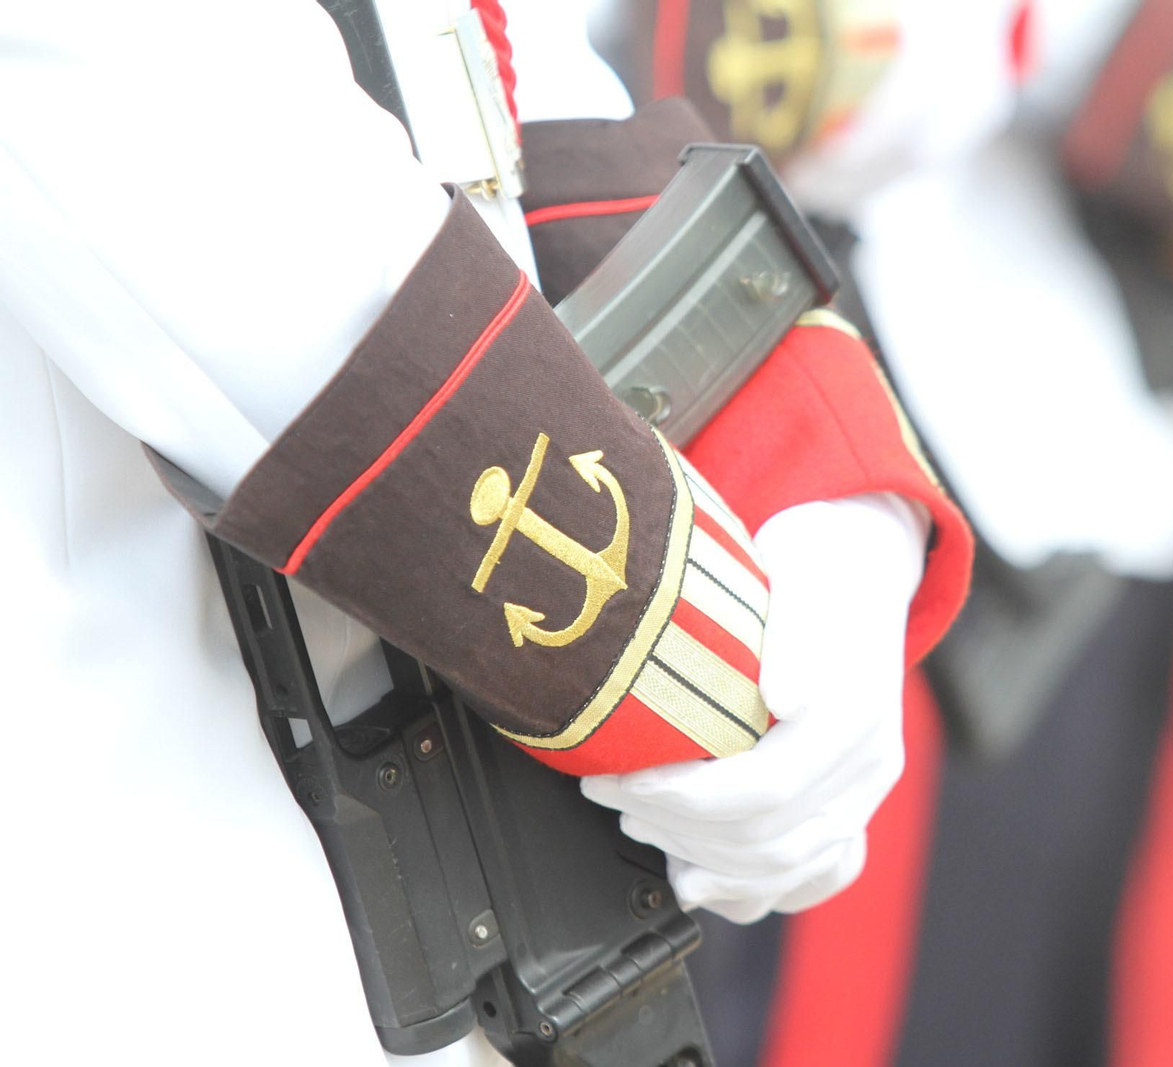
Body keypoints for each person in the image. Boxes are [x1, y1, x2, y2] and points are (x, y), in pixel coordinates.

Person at [0, 2, 970, 1064]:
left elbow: (486, 43)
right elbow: (142, 109)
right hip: (153, 908)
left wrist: (798, 485)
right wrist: (718, 649)